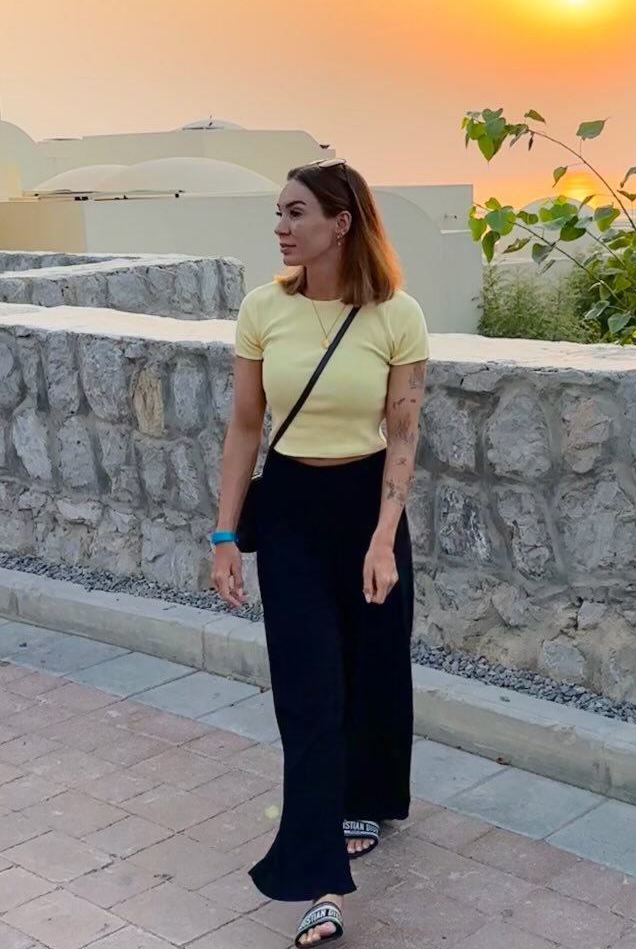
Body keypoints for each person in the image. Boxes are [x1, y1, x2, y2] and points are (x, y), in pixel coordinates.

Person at [210, 159, 428, 947]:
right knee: (307, 691)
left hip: (369, 505)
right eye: (278, 212)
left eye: (296, 212)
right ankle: (319, 880)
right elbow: (245, 426)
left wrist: (383, 538)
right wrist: (224, 536)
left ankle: (368, 795)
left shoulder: (397, 314)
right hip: (293, 511)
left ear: (341, 223)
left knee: (373, 666)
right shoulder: (262, 308)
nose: (281, 226)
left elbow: (402, 434)